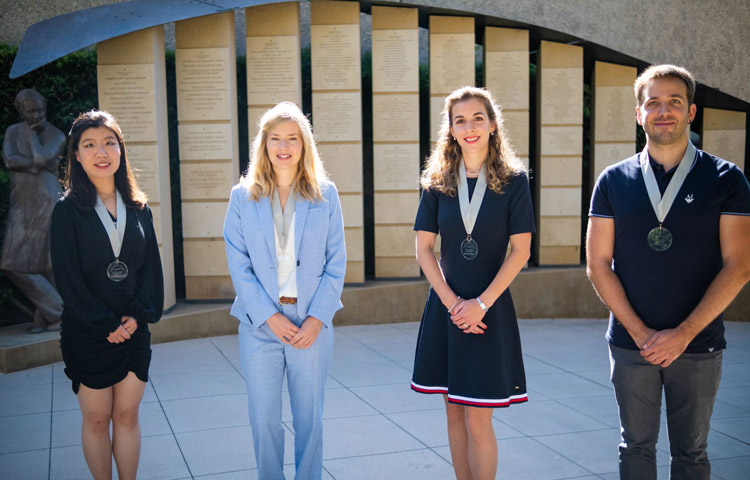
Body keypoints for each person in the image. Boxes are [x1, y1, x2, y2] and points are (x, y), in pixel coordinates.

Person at [586, 64, 750, 479]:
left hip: (697, 345)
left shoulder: (727, 179)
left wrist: (682, 335)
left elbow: (740, 265)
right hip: (630, 343)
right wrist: (643, 335)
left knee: (691, 454)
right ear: (638, 113)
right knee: (635, 448)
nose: (664, 111)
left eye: (674, 102)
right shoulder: (612, 181)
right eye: (653, 102)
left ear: (691, 112)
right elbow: (597, 265)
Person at [411, 86, 534, 480]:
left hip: (489, 311)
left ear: (493, 125)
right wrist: (453, 304)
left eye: (478, 118)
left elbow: (521, 252)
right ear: (450, 130)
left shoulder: (514, 182)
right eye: (459, 120)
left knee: (479, 419)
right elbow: (424, 250)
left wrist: (480, 304)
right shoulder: (437, 181)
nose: (469, 128)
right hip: (446, 311)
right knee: (454, 414)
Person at [223, 101, 346, 480]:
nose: (284, 146)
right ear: (263, 145)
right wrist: (270, 317)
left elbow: (336, 263)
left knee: (310, 420)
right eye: (275, 138)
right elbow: (239, 265)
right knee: (264, 420)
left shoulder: (325, 194)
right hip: (261, 327)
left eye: (292, 138)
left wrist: (317, 319)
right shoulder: (242, 197)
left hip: (311, 325)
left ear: (304, 144)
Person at [50, 110, 164, 480]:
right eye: (90, 145)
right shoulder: (67, 211)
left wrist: (139, 316)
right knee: (97, 419)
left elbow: (150, 270)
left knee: (128, 415)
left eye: (109, 143)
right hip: (88, 331)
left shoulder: (139, 207)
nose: (102, 152)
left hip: (133, 330)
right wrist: (105, 324)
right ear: (77, 156)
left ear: (120, 151)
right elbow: (68, 280)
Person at [2, 88, 65, 332]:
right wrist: (38, 164)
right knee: (12, 264)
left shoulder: (56, 135)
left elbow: (41, 157)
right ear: (21, 111)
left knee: (46, 262)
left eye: (41, 109)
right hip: (21, 201)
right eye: (31, 111)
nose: (37, 115)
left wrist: (31, 140)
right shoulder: (11, 131)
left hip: (47, 200)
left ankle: (49, 316)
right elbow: (9, 161)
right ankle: (59, 314)